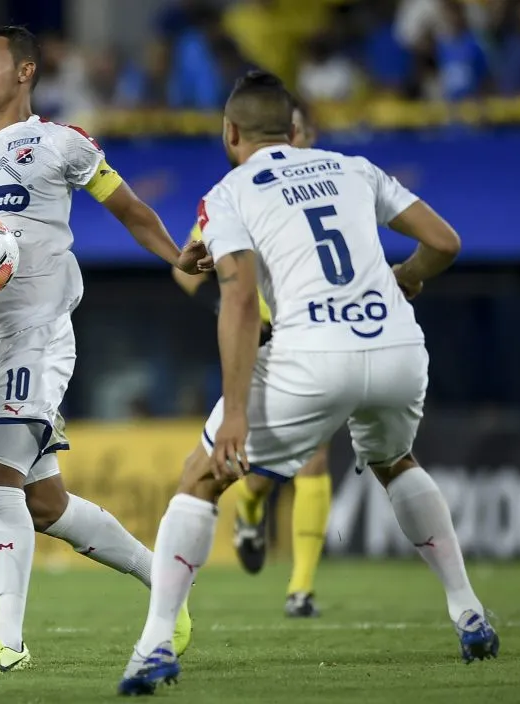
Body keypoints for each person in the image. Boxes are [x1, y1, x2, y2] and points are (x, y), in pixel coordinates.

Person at [119, 70, 498, 695]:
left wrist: (235, 410)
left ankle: (155, 643)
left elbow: (238, 300)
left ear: (230, 131)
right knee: (396, 460)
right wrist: (405, 275)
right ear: (293, 130)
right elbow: (445, 242)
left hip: (313, 354)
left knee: (202, 476)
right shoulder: (353, 167)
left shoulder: (230, 191)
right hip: (398, 348)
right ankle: (468, 611)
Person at [0, 26, 209, 674]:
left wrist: (178, 257)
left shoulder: (61, 143)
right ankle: (166, 583)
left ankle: (8, 643)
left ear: (26, 71)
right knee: (45, 504)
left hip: (41, 334)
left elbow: (131, 208)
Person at [171, 100, 331, 618]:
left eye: (302, 133)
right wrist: (236, 305)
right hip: (258, 345)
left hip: (313, 340)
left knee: (316, 456)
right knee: (251, 470)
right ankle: (252, 505)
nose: (295, 140)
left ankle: (301, 589)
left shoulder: (328, 190)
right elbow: (182, 267)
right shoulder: (235, 196)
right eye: (291, 131)